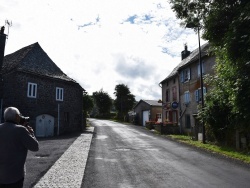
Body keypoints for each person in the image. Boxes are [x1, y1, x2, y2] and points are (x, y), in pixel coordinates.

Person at [0, 107, 39, 188]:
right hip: (14, 177)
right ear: (17, 117)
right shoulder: (20, 130)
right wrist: (31, 133)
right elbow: (35, 147)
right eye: (20, 115)